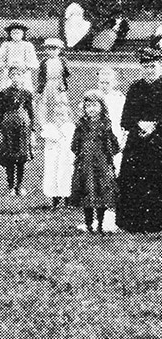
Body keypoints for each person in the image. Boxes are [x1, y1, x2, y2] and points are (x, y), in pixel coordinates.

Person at [117, 49, 162, 233]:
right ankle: (133, 222)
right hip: (138, 139)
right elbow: (126, 116)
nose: (149, 70)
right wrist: (139, 124)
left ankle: (156, 222)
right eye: (145, 66)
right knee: (133, 177)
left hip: (159, 139)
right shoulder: (135, 87)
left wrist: (155, 125)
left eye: (152, 66)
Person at [71, 92, 119, 234]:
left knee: (101, 193)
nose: (91, 109)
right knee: (87, 193)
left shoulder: (105, 125)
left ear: (101, 107)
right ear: (84, 108)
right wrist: (81, 154)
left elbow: (112, 145)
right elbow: (74, 145)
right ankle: (88, 223)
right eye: (88, 106)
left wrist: (107, 156)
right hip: (85, 164)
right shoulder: (80, 125)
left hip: (101, 164)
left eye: (94, 106)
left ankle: (100, 223)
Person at [0, 66, 36, 199]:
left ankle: (19, 185)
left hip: (23, 127)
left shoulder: (27, 93)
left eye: (19, 74)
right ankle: (11, 186)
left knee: (21, 157)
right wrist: (0, 127)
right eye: (13, 75)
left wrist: (32, 129)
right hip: (9, 126)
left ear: (23, 76)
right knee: (10, 156)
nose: (16, 77)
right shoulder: (3, 93)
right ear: (10, 77)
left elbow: (30, 112)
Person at [40, 91, 75, 211]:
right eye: (57, 115)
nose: (59, 118)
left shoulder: (70, 127)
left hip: (66, 158)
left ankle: (67, 200)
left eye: (62, 115)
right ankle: (55, 200)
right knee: (53, 177)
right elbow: (47, 136)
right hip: (53, 157)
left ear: (68, 116)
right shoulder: (50, 127)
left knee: (66, 176)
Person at [95, 66, 127, 167]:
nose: (104, 86)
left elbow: (125, 120)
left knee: (114, 166)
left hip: (114, 136)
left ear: (115, 83)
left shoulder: (119, 99)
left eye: (107, 83)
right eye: (101, 82)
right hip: (95, 137)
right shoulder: (92, 97)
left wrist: (124, 139)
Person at [0, 24, 38, 92]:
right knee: (7, 92)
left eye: (18, 33)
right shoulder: (6, 45)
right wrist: (7, 65)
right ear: (10, 34)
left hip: (24, 73)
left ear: (23, 33)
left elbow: (34, 63)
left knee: (25, 92)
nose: (16, 35)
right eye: (13, 33)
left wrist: (25, 66)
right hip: (9, 73)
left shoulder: (28, 45)